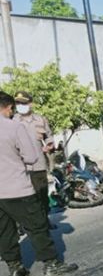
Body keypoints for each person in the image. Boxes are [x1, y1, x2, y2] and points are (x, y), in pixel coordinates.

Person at [0, 92, 78, 276]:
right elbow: (31, 157)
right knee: (37, 226)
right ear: (9, 107)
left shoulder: (32, 121)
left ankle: (15, 268)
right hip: (18, 187)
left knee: (4, 230)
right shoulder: (14, 126)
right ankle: (51, 264)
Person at [12, 91, 54, 219]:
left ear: (30, 104)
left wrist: (49, 145)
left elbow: (49, 137)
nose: (20, 105)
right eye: (18, 103)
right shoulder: (12, 120)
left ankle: (44, 220)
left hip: (39, 165)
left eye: (23, 103)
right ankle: (25, 224)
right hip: (20, 167)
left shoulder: (40, 120)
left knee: (42, 195)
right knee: (23, 198)